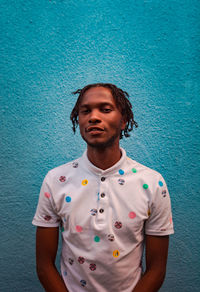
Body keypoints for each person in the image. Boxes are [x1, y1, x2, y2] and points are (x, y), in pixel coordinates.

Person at [32, 83, 174, 292]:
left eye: (105, 110)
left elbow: (157, 269)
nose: (94, 117)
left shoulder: (152, 183)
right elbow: (44, 266)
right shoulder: (56, 180)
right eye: (86, 111)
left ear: (124, 120)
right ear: (78, 120)